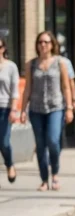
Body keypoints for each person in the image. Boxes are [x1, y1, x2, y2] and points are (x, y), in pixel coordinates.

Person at [20, 31, 74, 191]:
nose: (43, 45)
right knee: (40, 144)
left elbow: (66, 87)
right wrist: (22, 110)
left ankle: (55, 173)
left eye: (46, 42)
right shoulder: (31, 64)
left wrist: (70, 108)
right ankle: (44, 179)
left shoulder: (60, 63)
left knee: (53, 141)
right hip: (36, 109)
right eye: (40, 42)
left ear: (52, 45)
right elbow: (27, 88)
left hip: (55, 108)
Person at [0, 38, 20, 185]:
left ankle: (9, 164)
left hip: (5, 109)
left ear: (3, 48)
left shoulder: (11, 67)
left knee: (4, 142)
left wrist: (14, 109)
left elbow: (14, 91)